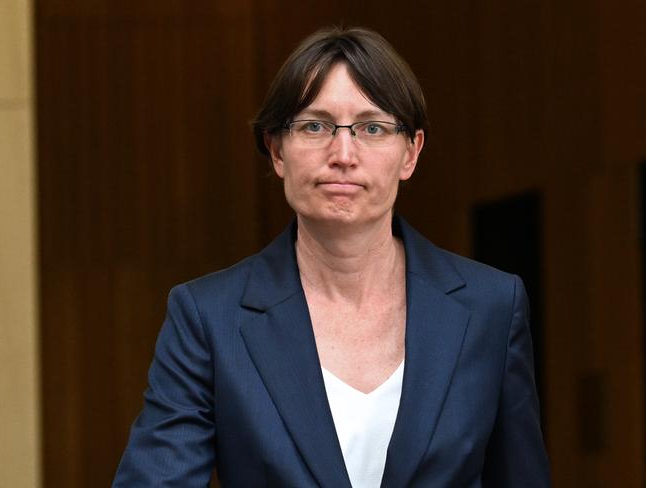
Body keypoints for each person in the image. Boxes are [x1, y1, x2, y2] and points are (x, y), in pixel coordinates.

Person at [113, 26, 550, 487]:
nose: (343, 154)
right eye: (315, 126)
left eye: (373, 128)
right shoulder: (207, 317)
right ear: (277, 150)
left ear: (411, 152)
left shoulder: (492, 306)